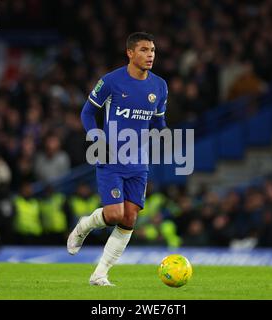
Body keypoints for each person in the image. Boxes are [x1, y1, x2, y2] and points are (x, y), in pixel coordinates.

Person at [67, 32, 168, 286]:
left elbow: (158, 120)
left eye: (153, 50)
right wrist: (97, 138)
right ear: (130, 53)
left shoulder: (160, 86)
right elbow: (87, 113)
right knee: (113, 214)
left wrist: (164, 133)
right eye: (144, 50)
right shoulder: (111, 82)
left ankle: (100, 274)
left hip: (139, 162)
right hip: (111, 157)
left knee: (129, 218)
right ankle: (84, 226)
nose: (150, 55)